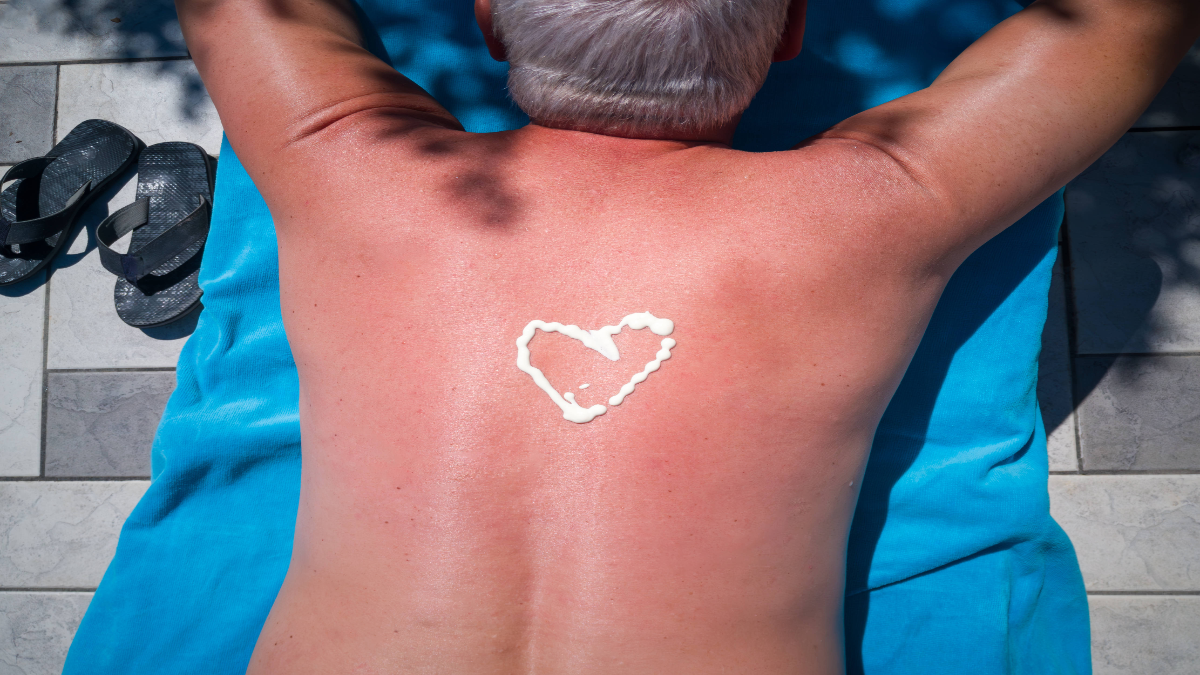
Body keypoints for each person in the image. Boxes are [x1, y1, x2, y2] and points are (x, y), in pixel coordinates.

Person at [164, 0, 1196, 672]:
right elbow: (1125, 24)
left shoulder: (341, 167)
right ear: (791, 33)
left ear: (487, 21)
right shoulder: (872, 211)